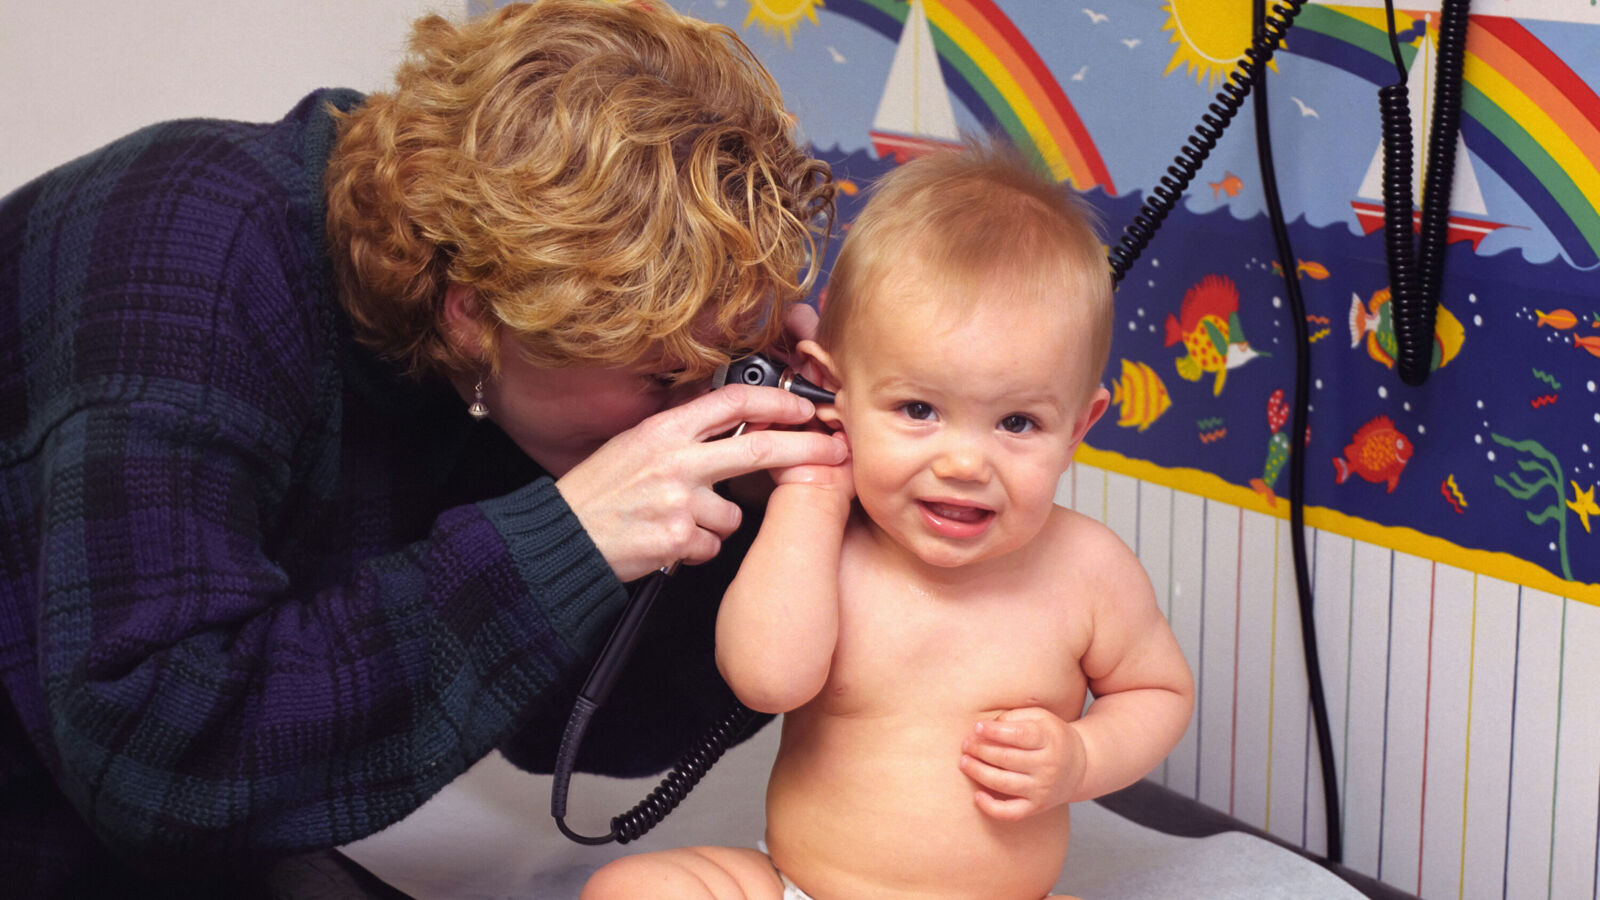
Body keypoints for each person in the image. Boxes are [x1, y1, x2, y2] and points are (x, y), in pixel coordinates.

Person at [0, 1, 844, 895]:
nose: (697, 410)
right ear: (473, 313)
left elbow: (586, 724)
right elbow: (154, 755)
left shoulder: (506, 338)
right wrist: (567, 540)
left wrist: (776, 517)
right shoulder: (192, 252)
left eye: (723, 365)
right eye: (663, 376)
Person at [582, 140, 1196, 900]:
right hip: (803, 887)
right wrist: (810, 485)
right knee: (634, 889)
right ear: (833, 394)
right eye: (917, 410)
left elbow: (1158, 694)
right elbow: (767, 680)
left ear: (1079, 425)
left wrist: (1081, 756)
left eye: (1016, 423)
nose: (966, 463)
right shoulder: (825, 541)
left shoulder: (1089, 570)